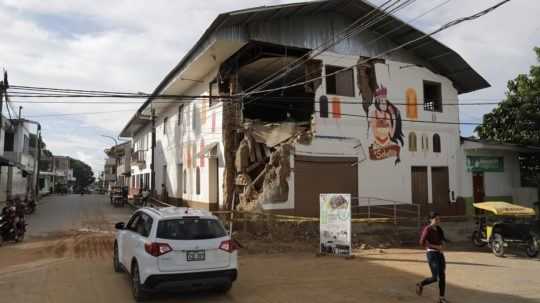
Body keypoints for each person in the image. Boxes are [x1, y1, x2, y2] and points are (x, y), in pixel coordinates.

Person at [416, 212, 450, 303]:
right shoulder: (427, 229)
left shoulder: (438, 228)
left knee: (440, 276)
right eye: (436, 219)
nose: (438, 221)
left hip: (439, 254)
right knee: (438, 276)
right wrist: (436, 247)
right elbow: (422, 242)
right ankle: (422, 284)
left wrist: (443, 243)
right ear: (431, 219)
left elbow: (442, 238)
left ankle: (441, 298)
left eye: (439, 219)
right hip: (432, 254)